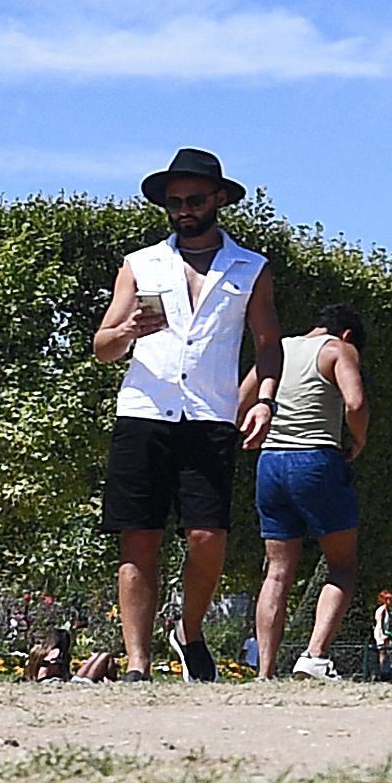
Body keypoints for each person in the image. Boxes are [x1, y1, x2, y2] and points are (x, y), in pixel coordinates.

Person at [90, 148, 275, 682]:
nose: (184, 209)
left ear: (219, 199)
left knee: (207, 537)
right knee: (138, 534)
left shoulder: (251, 268)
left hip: (210, 414)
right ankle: (138, 663)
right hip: (145, 410)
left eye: (195, 199)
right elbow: (103, 345)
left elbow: (266, 343)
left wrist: (263, 398)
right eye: (174, 202)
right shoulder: (141, 263)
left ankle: (188, 628)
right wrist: (127, 333)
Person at [249, 280, 372, 681]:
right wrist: (358, 437)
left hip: (270, 462)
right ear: (348, 333)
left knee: (277, 571)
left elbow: (240, 402)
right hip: (316, 458)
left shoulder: (278, 350)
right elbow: (354, 402)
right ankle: (314, 656)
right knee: (342, 565)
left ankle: (265, 672)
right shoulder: (339, 349)